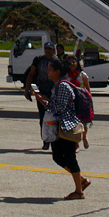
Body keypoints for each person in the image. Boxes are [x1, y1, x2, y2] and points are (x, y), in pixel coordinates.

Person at [43, 58, 89, 199]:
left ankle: (79, 191)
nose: (48, 72)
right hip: (59, 127)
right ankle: (81, 180)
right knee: (57, 156)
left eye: (50, 70)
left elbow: (60, 108)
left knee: (70, 158)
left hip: (67, 126)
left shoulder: (63, 86)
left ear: (57, 71)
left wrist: (46, 104)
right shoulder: (57, 85)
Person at [24, 41, 58, 149]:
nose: (47, 50)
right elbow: (32, 74)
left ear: (53, 50)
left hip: (53, 92)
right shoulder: (38, 59)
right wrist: (27, 88)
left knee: (55, 117)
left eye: (50, 49)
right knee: (43, 117)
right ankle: (45, 140)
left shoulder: (57, 61)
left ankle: (55, 139)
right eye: (46, 48)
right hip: (42, 91)